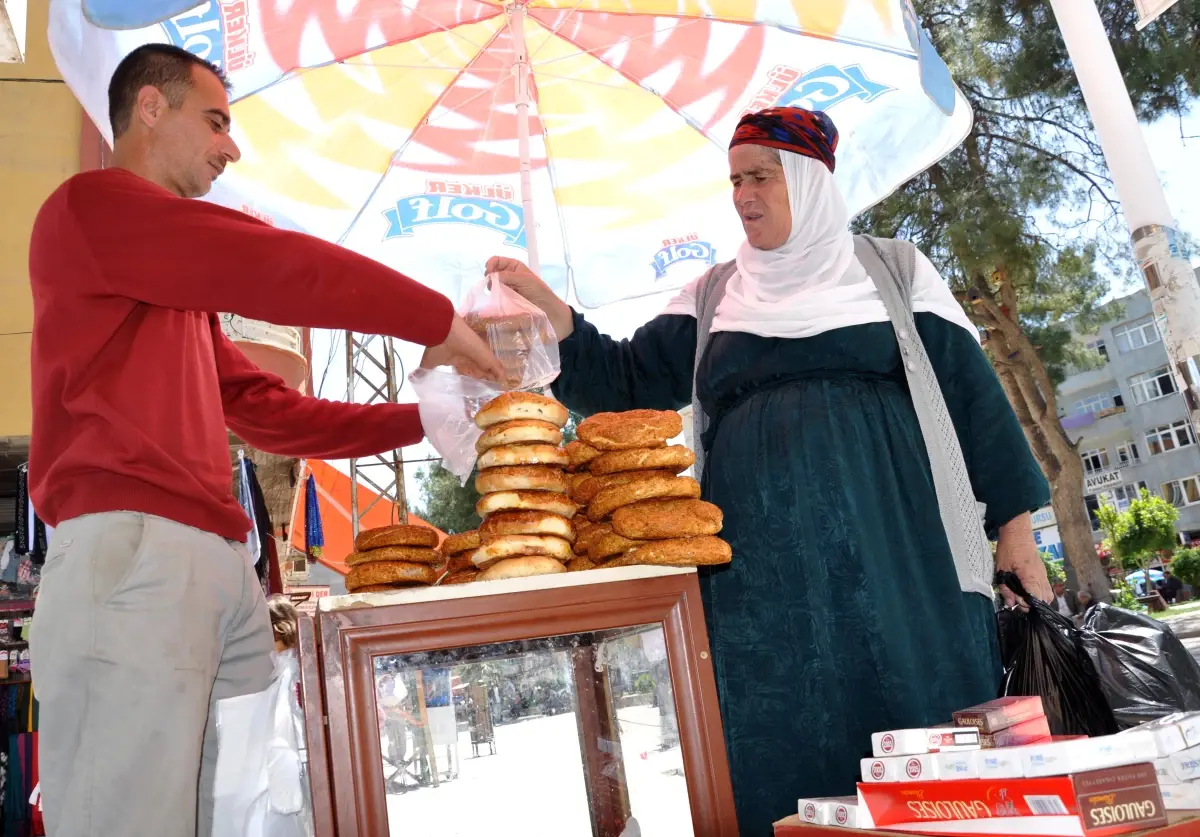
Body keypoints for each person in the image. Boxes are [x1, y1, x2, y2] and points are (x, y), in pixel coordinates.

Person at [480, 106, 1052, 835]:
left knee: (922, 724)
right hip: (756, 578)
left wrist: (1017, 534)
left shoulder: (894, 272)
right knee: (778, 738)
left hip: (902, 554)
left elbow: (978, 403)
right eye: (733, 182)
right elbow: (622, 379)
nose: (743, 195)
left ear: (811, 182)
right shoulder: (716, 294)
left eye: (760, 177)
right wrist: (551, 312)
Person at [27, 43, 501, 837]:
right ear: (151, 107)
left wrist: (426, 420)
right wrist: (433, 321)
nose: (230, 146)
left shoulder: (173, 296)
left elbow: (272, 412)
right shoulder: (89, 208)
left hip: (211, 564)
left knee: (246, 814)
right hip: (134, 553)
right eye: (215, 121)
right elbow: (269, 261)